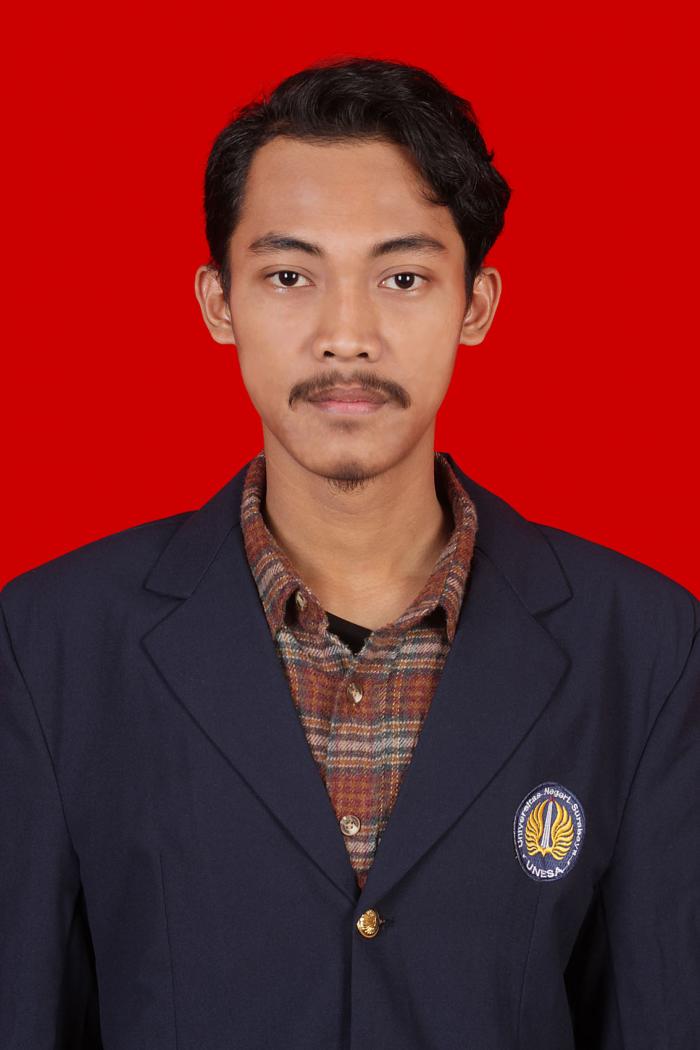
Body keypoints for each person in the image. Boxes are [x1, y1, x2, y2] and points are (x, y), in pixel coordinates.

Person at [1, 55, 698, 1050]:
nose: (345, 335)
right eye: (289, 276)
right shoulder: (47, 645)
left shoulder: (645, 648)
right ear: (218, 302)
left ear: (475, 304)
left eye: (402, 277)